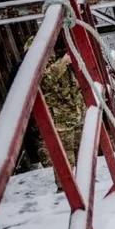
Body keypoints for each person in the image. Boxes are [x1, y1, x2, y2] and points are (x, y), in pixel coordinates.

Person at [27, 38, 85, 170]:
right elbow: (43, 82)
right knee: (65, 157)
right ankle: (66, 187)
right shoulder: (37, 64)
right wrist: (63, 62)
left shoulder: (60, 57)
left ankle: (85, 180)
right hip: (60, 118)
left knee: (81, 152)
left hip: (75, 113)